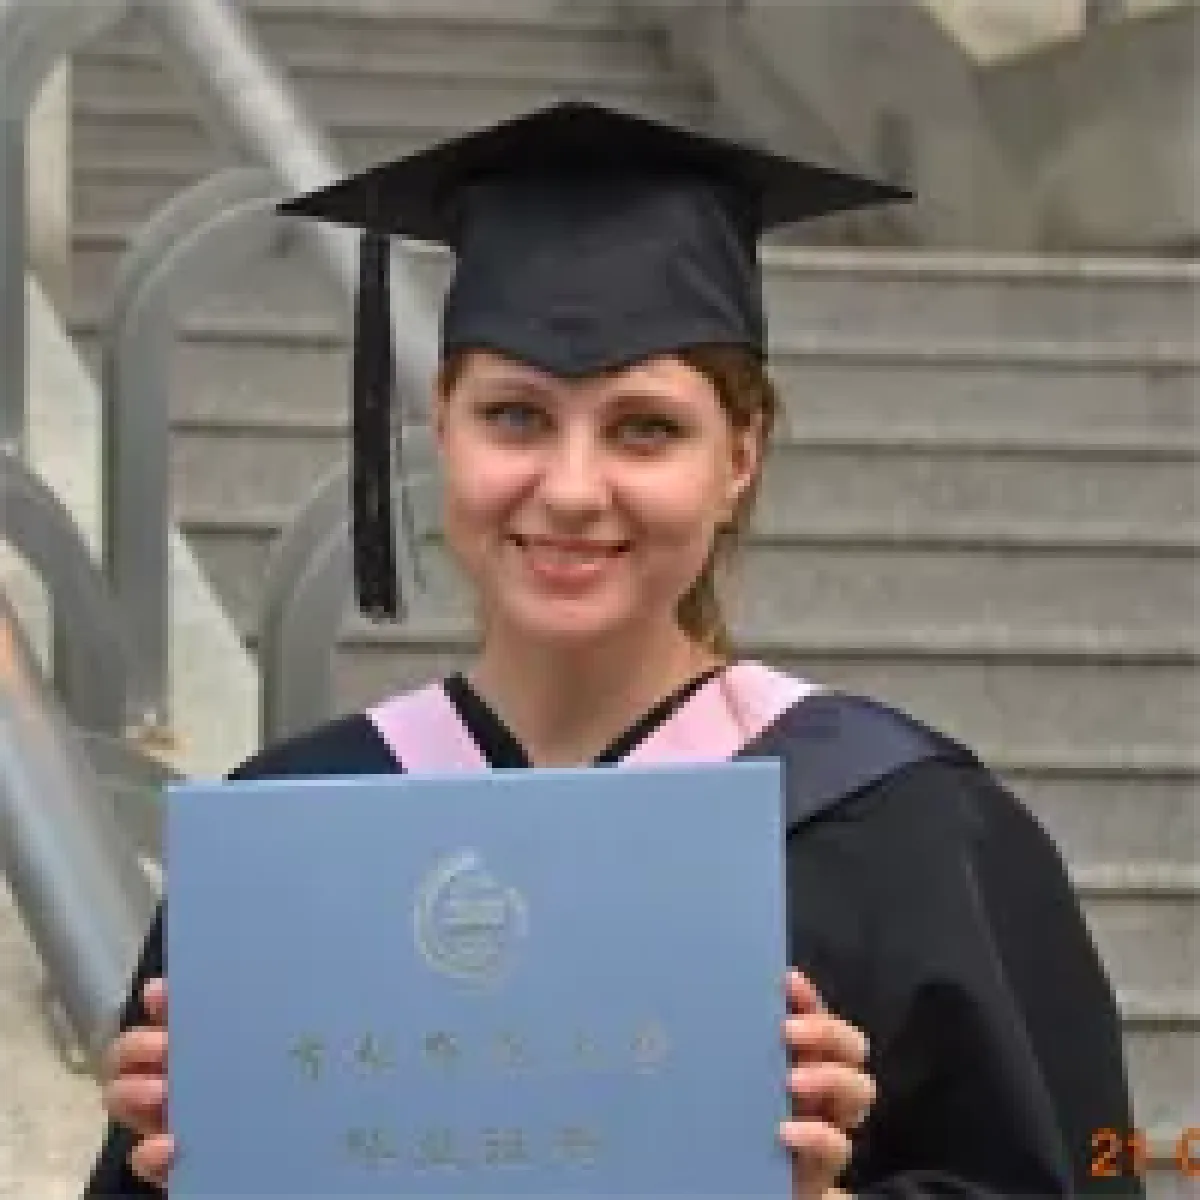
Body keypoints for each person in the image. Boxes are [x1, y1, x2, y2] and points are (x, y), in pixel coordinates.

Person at [83, 102, 1141, 1200]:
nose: (573, 489)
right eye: (515, 416)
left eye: (645, 428)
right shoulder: (290, 837)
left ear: (741, 455)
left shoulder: (914, 836)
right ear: (442, 423)